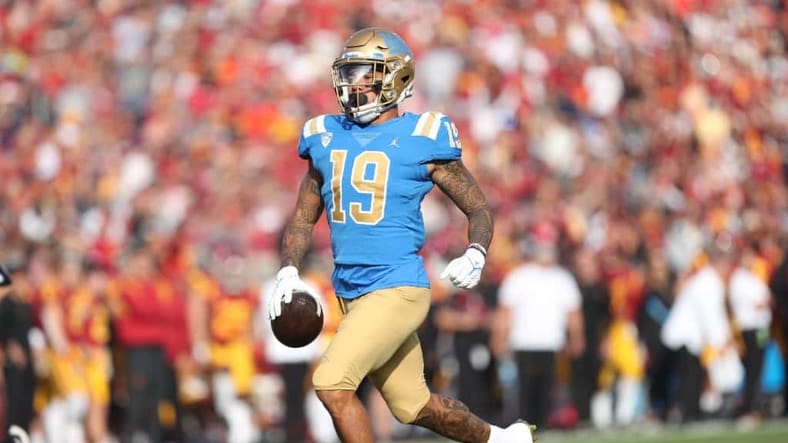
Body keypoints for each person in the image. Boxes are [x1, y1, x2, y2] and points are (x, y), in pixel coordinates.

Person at [266, 27, 535, 443]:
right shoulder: (324, 135)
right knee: (413, 405)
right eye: (348, 73)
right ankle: (505, 439)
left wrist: (477, 250)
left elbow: (478, 206)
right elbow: (303, 217)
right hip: (350, 292)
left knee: (331, 383)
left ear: (396, 78)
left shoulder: (421, 136)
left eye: (364, 73)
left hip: (397, 287)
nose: (351, 84)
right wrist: (287, 270)